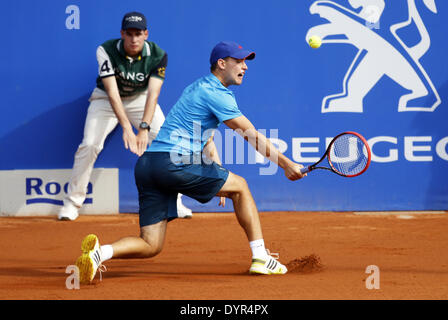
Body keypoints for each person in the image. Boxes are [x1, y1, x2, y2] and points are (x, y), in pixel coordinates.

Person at [74, 41, 306, 284]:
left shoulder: (197, 88)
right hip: (174, 164)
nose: (245, 67)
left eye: (245, 61)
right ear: (221, 63)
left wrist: (220, 172)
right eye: (239, 61)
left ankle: (99, 254)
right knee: (242, 187)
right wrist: (286, 164)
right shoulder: (217, 94)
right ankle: (261, 257)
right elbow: (251, 135)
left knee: (151, 244)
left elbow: (206, 139)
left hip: (148, 165)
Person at [58, 11, 192, 221]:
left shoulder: (158, 55)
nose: (133, 39)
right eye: (129, 34)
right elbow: (112, 92)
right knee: (90, 144)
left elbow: (153, 94)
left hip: (140, 98)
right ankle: (72, 202)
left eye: (138, 33)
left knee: (169, 141)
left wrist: (144, 128)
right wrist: (128, 129)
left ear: (146, 34)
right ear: (122, 34)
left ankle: (173, 201)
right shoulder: (106, 50)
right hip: (106, 100)